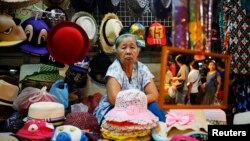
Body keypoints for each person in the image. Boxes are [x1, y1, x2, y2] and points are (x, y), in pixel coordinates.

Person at [93, 33, 166, 125]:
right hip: (116, 108)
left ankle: (161, 132)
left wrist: (136, 103)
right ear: (117, 51)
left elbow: (154, 95)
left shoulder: (142, 68)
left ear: (138, 51)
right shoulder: (114, 69)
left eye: (132, 47)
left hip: (139, 105)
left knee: (155, 107)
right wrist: (138, 101)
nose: (128, 51)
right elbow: (114, 100)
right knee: (124, 120)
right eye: (123, 48)